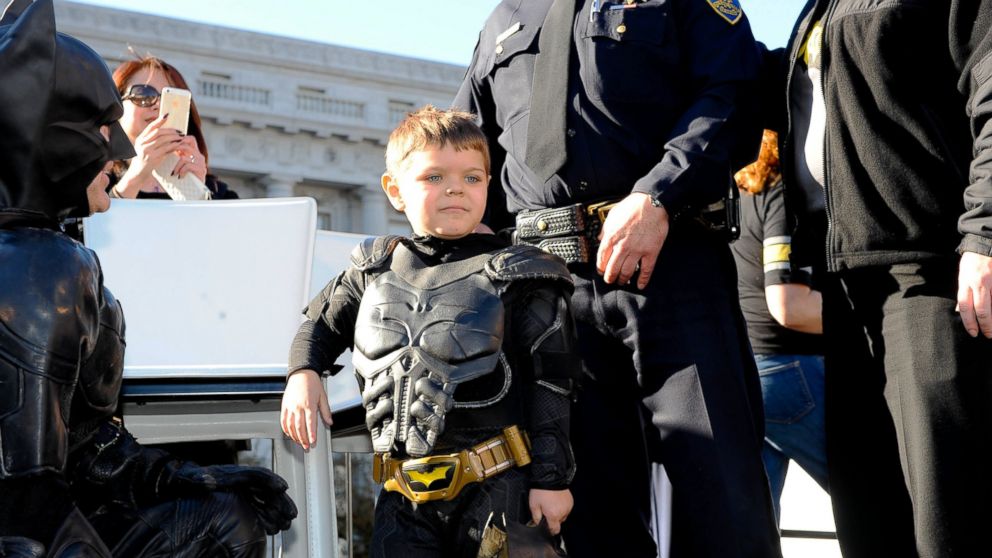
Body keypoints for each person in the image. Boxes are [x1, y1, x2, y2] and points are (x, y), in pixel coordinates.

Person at [454, 1, 781, 557]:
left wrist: (659, 195)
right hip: (548, 299)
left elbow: (731, 92)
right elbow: (468, 144)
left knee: (722, 499)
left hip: (672, 271)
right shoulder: (504, 17)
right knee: (589, 516)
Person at [0, 1, 294, 556]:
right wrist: (128, 184)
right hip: (53, 505)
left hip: (181, 428)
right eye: (131, 104)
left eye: (171, 99)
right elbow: (30, 489)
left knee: (226, 517)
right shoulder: (50, 257)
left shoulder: (60, 250)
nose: (120, 139)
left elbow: (86, 444)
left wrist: (188, 478)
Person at [280, 106, 579, 558]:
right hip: (403, 495)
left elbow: (551, 385)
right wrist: (303, 373)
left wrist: (551, 480)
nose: (455, 188)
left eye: (472, 178)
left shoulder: (525, 275)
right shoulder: (373, 269)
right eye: (434, 177)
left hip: (497, 491)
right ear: (394, 189)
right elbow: (317, 326)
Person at [763, 1, 992, 555]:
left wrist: (985, 236)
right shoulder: (817, 9)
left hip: (928, 276)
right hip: (846, 288)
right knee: (869, 518)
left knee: (948, 516)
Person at [730, 130, 827, 521]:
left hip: (749, 372)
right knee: (885, 501)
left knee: (758, 530)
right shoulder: (781, 195)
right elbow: (787, 305)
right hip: (790, 371)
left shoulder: (737, 190)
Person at [109, 55, 237, 200]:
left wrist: (197, 195)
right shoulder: (94, 183)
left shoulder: (220, 194)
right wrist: (134, 178)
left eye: (171, 99)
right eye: (143, 94)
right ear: (117, 107)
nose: (158, 105)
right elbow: (94, 222)